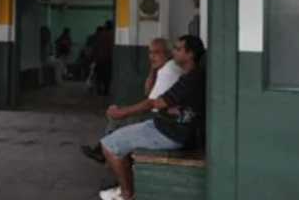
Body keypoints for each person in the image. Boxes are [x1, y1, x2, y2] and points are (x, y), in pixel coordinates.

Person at [98, 35, 206, 200]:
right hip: (164, 125)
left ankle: (127, 195)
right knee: (117, 137)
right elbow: (159, 102)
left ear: (190, 54)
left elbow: (153, 103)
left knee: (109, 146)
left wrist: (121, 113)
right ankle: (125, 187)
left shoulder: (190, 78)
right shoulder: (188, 74)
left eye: (178, 50)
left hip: (171, 133)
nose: (173, 53)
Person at [81, 38, 183, 164]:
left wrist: (122, 113)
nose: (152, 56)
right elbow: (148, 92)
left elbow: (150, 103)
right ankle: (104, 150)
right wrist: (153, 69)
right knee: (119, 117)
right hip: (162, 115)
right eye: (150, 53)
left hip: (165, 121)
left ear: (168, 53)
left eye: (157, 53)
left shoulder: (169, 70)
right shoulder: (164, 68)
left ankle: (105, 151)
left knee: (121, 118)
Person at [93, 21, 115, 96]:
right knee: (107, 76)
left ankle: (99, 90)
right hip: (108, 58)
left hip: (100, 58)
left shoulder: (100, 35)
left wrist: (95, 58)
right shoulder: (112, 35)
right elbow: (111, 48)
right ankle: (106, 90)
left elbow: (96, 47)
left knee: (99, 75)